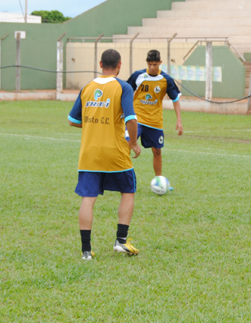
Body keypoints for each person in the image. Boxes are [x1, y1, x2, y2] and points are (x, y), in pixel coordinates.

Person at [69, 49, 142, 260]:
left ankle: (85, 251)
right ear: (120, 65)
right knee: (128, 191)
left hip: (89, 154)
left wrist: (93, 122)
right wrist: (134, 143)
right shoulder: (123, 87)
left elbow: (73, 120)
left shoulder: (87, 87)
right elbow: (131, 119)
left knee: (88, 199)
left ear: (100, 63)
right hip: (115, 153)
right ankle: (120, 241)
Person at [126, 49, 183, 181]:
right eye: (150, 64)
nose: (152, 67)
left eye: (155, 64)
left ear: (160, 63)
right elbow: (125, 93)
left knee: (157, 150)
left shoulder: (166, 79)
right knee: (126, 144)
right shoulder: (137, 75)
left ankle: (159, 180)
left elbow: (175, 99)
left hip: (155, 121)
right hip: (137, 119)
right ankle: (122, 177)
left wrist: (179, 120)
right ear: (147, 63)